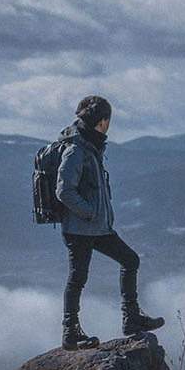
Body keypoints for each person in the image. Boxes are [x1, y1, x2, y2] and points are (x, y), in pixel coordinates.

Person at [55, 95, 165, 351]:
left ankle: (131, 318)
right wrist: (90, 213)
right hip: (79, 228)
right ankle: (70, 333)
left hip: (97, 227)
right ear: (102, 121)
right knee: (78, 277)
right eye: (108, 120)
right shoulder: (76, 149)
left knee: (130, 260)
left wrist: (97, 218)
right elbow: (64, 191)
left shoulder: (91, 146)